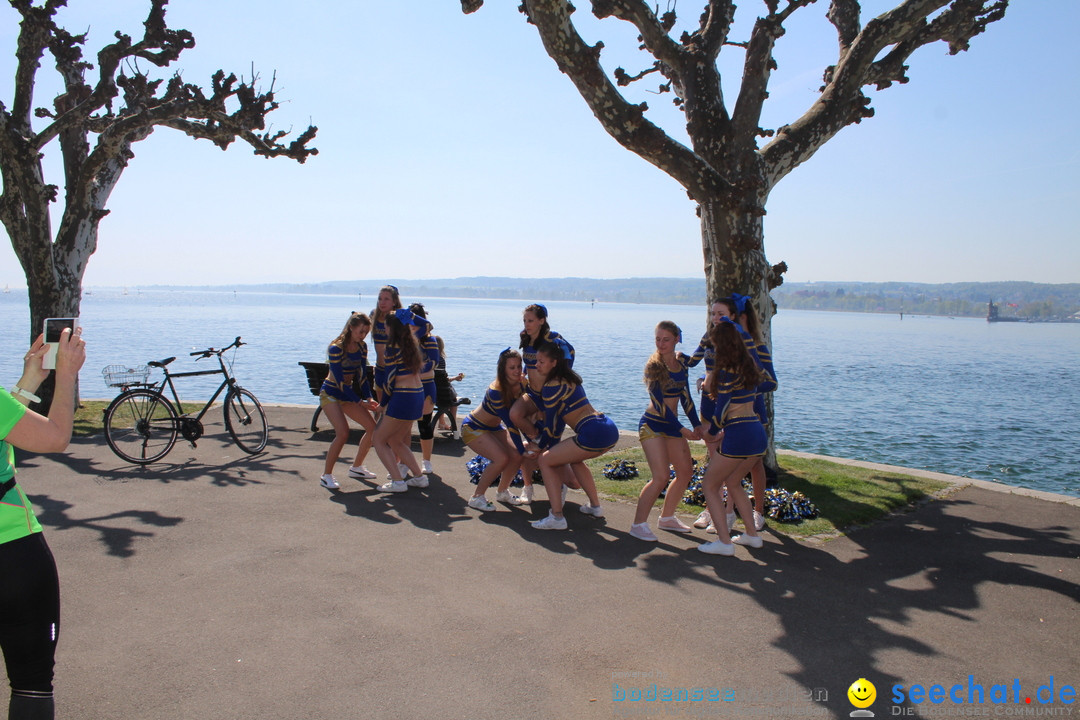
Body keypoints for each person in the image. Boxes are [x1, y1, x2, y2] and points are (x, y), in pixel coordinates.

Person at [1, 325, 86, 720]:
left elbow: (7, 431)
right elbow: (53, 438)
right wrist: (66, 374)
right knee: (31, 684)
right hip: (13, 557)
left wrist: (31, 379)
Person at [696, 318, 777, 555]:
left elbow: (721, 411)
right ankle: (752, 536)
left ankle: (724, 542)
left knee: (709, 484)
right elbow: (767, 384)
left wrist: (711, 433)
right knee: (733, 482)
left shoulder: (727, 371)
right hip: (757, 433)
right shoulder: (749, 365)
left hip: (739, 433)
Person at [523, 340, 617, 531]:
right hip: (608, 428)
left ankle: (557, 517)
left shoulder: (551, 386)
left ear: (554, 363)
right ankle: (595, 507)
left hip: (592, 431)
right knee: (576, 460)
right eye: (536, 361)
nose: (536, 365)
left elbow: (550, 426)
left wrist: (539, 447)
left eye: (541, 361)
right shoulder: (571, 379)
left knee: (546, 461)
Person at [630, 321, 703, 541]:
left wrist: (697, 424)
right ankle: (638, 524)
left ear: (677, 339)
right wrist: (682, 429)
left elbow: (686, 398)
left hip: (672, 427)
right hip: (653, 425)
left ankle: (667, 517)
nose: (661, 344)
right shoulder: (654, 366)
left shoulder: (681, 365)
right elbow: (660, 405)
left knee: (685, 472)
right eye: (658, 339)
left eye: (666, 339)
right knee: (660, 476)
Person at [461, 349, 532, 511]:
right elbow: (511, 422)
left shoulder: (522, 384)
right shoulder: (496, 391)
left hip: (493, 427)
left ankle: (502, 492)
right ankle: (477, 497)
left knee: (516, 455)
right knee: (501, 458)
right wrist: (524, 447)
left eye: (518, 366)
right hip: (473, 427)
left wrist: (527, 445)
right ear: (503, 369)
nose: (516, 371)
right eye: (511, 367)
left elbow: (525, 414)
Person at [728, 293, 776, 532]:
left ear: (745, 319)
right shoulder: (726, 349)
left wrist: (750, 386)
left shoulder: (759, 348)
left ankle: (758, 512)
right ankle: (724, 511)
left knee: (754, 465)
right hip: (731, 417)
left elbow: (772, 382)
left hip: (755, 416)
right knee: (728, 464)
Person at [317, 313, 381, 490]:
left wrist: (368, 397)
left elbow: (361, 377)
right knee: (343, 432)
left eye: (366, 332)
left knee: (372, 428)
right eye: (361, 331)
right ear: (351, 328)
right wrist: (360, 402)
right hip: (330, 394)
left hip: (347, 395)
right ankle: (326, 475)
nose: (363, 336)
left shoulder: (361, 347)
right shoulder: (336, 348)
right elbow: (338, 382)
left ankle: (357, 467)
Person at [373, 309, 428, 493]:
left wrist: (382, 404)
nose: (384, 329)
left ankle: (397, 481)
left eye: (386, 326)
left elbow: (389, 381)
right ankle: (419, 477)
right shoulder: (412, 343)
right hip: (417, 394)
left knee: (379, 439)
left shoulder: (391, 348)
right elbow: (426, 325)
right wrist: (409, 315)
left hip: (402, 396)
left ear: (391, 328)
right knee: (397, 440)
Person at [407, 303, 440, 475]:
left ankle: (426, 460)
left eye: (415, 321)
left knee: (424, 425)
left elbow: (434, 362)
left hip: (426, 387)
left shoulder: (430, 340)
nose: (411, 326)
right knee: (404, 426)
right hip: (407, 388)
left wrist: (416, 370)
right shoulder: (404, 341)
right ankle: (403, 461)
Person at [369, 285, 403, 405]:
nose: (382, 302)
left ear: (394, 301)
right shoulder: (374, 315)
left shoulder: (400, 316)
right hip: (380, 367)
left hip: (395, 368)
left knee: (393, 407)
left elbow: (425, 328)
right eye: (380, 299)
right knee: (381, 406)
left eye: (386, 299)